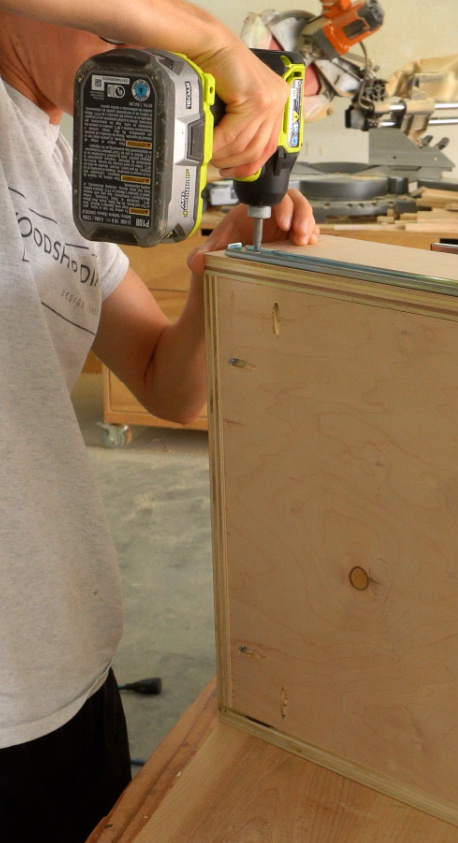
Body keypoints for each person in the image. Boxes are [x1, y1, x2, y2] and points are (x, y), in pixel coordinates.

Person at [0, 2, 320, 838]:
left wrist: (230, 256)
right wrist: (216, 44)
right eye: (122, 27)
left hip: (66, 665)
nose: (141, 47)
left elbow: (166, 385)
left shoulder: (65, 156)